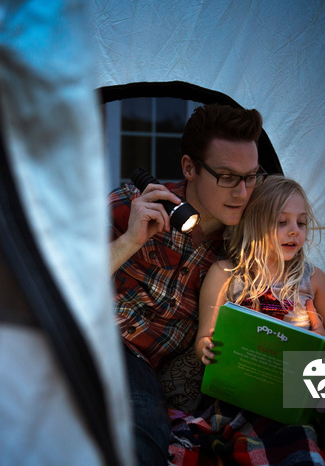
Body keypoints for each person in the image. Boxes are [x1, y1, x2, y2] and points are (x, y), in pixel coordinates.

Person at [109, 103, 267, 465]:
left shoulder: (248, 242)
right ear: (189, 168)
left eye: (251, 176)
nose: (242, 192)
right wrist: (130, 242)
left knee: (142, 426)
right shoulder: (134, 206)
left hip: (139, 370)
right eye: (227, 176)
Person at [196, 175, 325, 365]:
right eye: (281, 222)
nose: (294, 230)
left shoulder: (313, 279)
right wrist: (206, 347)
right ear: (253, 225)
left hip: (296, 382)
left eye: (301, 222)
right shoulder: (224, 274)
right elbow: (203, 338)